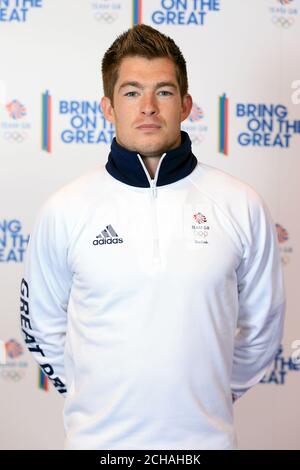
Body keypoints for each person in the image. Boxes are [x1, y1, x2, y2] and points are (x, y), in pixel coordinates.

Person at [20, 24, 286, 450]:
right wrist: (94, 394)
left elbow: (263, 326)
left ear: (185, 105)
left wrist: (213, 391)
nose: (147, 107)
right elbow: (39, 325)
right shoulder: (65, 209)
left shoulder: (241, 204)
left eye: (162, 91)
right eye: (131, 92)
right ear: (108, 107)